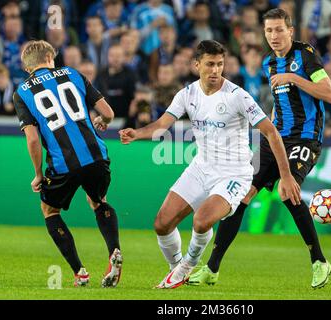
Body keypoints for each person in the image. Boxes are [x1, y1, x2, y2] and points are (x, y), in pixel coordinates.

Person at [119, 39, 301, 289]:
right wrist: (136, 133)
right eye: (210, 64)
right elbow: (162, 125)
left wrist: (287, 176)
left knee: (201, 221)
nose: (215, 70)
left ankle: (186, 267)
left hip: (233, 174)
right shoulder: (187, 94)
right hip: (201, 167)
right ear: (197, 65)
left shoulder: (238, 96)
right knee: (161, 223)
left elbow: (271, 133)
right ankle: (176, 269)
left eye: (219, 64)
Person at [188, 8, 331, 289]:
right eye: (269, 31)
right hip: (277, 137)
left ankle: (319, 261)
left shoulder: (305, 56)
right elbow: (279, 105)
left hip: (305, 138)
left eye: (279, 29)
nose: (274, 35)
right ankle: (211, 268)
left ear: (290, 31)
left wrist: (294, 78)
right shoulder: (270, 63)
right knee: (241, 194)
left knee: (286, 190)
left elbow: (329, 94)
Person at [13, 40, 122, 287]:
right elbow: (108, 112)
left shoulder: (22, 92)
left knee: (50, 210)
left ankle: (80, 272)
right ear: (50, 59)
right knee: (98, 201)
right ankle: (114, 250)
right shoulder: (73, 73)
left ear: (27, 67)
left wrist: (38, 173)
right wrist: (103, 121)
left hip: (64, 164)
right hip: (96, 155)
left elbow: (32, 139)